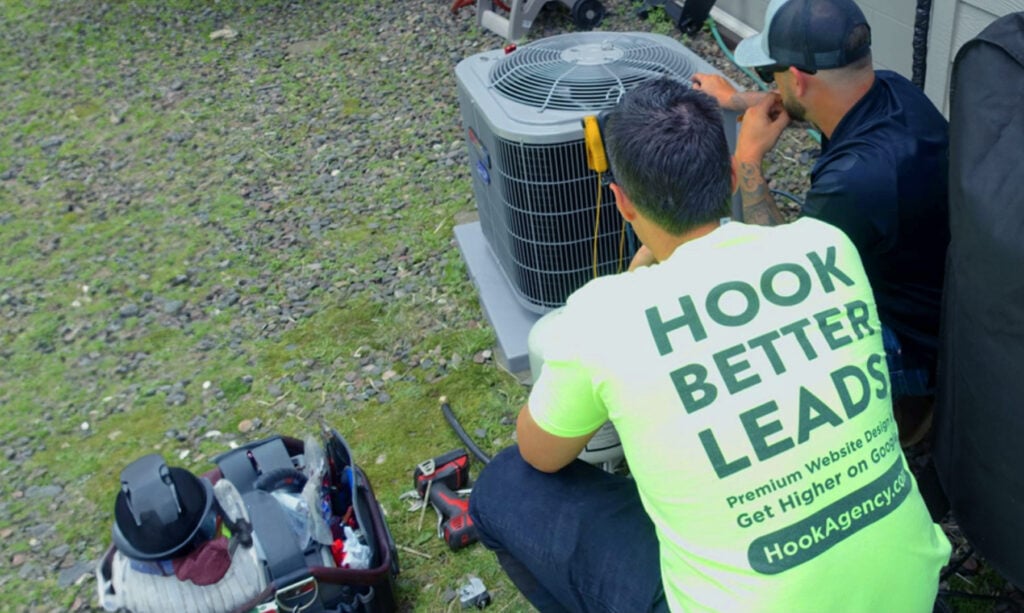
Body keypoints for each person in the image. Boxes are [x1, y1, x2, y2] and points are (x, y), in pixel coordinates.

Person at [468, 78, 950, 612]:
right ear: (726, 176)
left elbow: (540, 453)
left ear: (623, 203)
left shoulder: (601, 316)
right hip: (908, 592)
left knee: (504, 486)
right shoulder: (826, 244)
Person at [692, 0, 950, 446]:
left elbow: (782, 278)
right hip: (936, 307)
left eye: (771, 74)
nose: (770, 84)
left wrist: (748, 160)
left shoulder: (856, 182)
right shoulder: (891, 91)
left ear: (795, 78)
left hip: (912, 350)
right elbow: (802, 105)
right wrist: (737, 100)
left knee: (751, 330)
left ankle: (902, 416)